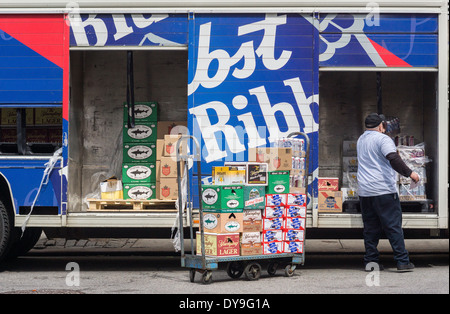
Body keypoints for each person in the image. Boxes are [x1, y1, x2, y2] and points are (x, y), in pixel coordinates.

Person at [357, 113, 419, 272]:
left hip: (365, 191)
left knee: (370, 229)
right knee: (393, 227)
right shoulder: (383, 139)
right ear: (381, 126)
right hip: (383, 190)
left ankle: (371, 262)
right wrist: (410, 173)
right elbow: (393, 158)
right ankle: (402, 261)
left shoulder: (361, 139)